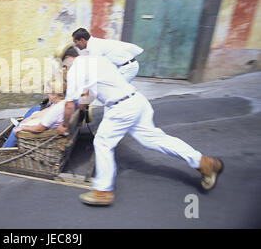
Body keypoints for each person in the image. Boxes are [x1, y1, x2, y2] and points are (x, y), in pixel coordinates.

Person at [57, 55, 224, 206]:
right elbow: (91, 93)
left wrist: (65, 125)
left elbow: (69, 104)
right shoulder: (96, 60)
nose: (65, 70)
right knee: (153, 139)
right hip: (136, 100)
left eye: (64, 66)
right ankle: (204, 163)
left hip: (121, 107)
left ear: (68, 59)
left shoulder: (76, 68)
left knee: (102, 142)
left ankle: (103, 191)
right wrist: (83, 105)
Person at [72, 27, 143, 83]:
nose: (75, 45)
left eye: (76, 42)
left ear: (82, 40)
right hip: (121, 67)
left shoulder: (94, 47)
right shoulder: (93, 44)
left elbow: (94, 69)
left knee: (118, 90)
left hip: (128, 67)